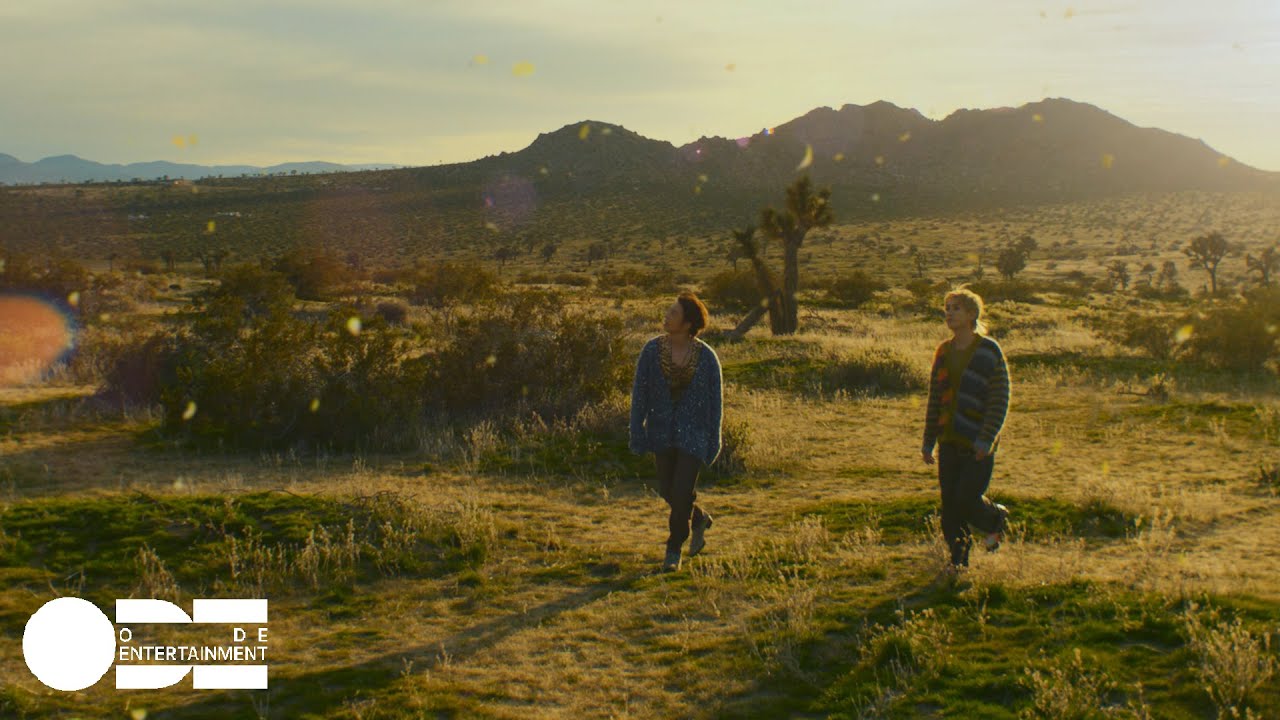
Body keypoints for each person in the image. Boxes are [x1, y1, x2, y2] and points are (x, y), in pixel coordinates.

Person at [629, 291, 723, 572]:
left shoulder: (706, 358)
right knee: (668, 490)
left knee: (681, 491)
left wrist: (713, 439)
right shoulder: (651, 351)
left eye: (673, 313)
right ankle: (699, 517)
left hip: (693, 436)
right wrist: (637, 430)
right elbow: (640, 395)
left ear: (687, 323)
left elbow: (715, 402)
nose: (667, 316)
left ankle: (673, 549)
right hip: (660, 433)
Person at [921, 286, 1011, 573]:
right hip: (949, 440)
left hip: (977, 443)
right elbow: (935, 398)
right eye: (947, 308)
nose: (949, 314)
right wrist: (928, 441)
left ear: (972, 314)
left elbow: (999, 399)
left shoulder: (988, 351)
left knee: (966, 499)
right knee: (950, 508)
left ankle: (995, 519)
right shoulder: (943, 352)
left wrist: (986, 438)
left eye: (955, 308)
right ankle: (959, 562)